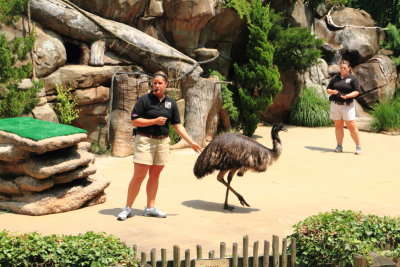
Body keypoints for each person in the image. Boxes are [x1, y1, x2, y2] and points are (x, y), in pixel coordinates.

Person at [117, 71, 203, 221]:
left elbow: (177, 125)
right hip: (145, 141)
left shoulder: (171, 103)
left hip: (163, 142)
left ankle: (150, 208)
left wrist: (191, 142)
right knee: (139, 176)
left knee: (155, 175)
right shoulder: (145, 100)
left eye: (160, 83)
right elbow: (135, 121)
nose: (157, 85)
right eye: (154, 83)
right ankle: (127, 208)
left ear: (166, 84)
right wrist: (154, 121)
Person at [326, 60, 362, 155]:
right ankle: (339, 146)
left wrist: (348, 96)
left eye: (344, 68)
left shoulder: (353, 78)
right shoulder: (335, 78)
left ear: (349, 68)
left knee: (352, 126)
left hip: (347, 105)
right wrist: (333, 92)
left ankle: (358, 146)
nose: (342, 69)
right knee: (338, 126)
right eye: (341, 68)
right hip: (335, 105)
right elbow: (328, 90)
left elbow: (357, 91)